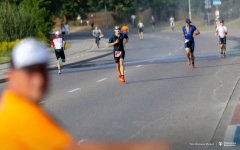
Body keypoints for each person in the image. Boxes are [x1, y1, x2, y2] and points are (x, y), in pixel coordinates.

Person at [0, 38, 173, 150]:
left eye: (42, 71)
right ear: (11, 76)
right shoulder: (20, 114)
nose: (38, 80)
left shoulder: (11, 103)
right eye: (29, 72)